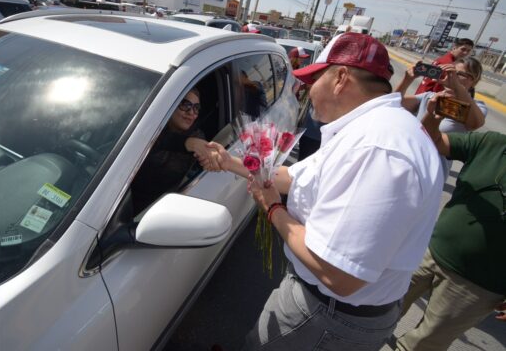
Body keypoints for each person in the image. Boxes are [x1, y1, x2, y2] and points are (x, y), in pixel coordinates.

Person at [210, 32, 444, 350]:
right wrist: (229, 162)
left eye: (314, 79)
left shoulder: (376, 149)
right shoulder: (371, 130)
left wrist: (273, 209)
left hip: (328, 318)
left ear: (340, 78)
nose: (308, 90)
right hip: (330, 310)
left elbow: (339, 275)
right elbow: (295, 177)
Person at [394, 95, 506, 351]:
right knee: (379, 311)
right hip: (427, 254)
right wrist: (432, 120)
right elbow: (434, 142)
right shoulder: (492, 144)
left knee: (423, 343)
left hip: (479, 285)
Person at [130, 88, 217, 215]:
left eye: (196, 108)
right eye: (185, 105)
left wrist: (204, 160)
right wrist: (185, 143)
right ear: (171, 105)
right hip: (123, 201)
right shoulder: (150, 129)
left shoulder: (197, 136)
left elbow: (201, 158)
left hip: (157, 211)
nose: (191, 113)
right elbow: (146, 142)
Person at [396, 57, 487, 175]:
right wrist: (407, 79)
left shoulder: (476, 107)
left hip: (432, 173)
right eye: (450, 72)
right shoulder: (429, 96)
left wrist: (457, 88)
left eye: (459, 74)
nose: (452, 76)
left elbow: (475, 123)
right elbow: (393, 103)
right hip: (406, 163)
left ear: (473, 81)